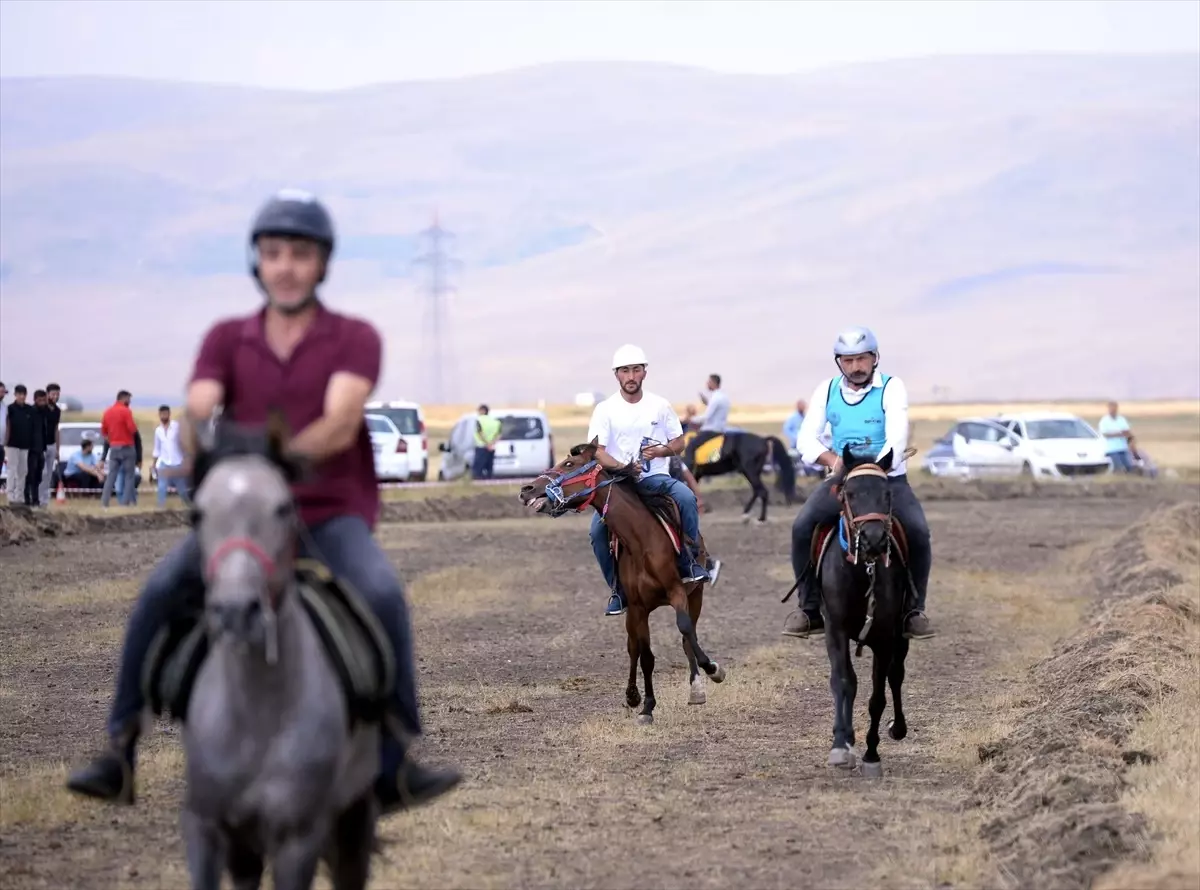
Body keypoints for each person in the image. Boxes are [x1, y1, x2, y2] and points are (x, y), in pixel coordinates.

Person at [66, 189, 460, 814]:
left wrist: (283, 459)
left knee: (382, 593)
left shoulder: (354, 338)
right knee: (159, 590)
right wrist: (204, 441)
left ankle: (394, 762)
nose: (286, 265)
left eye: (300, 254)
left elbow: (339, 420)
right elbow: (199, 404)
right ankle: (120, 749)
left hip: (328, 513)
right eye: (273, 252)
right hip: (242, 519)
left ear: (322, 264)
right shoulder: (227, 337)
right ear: (257, 261)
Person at [781, 326, 935, 641]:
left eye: (862, 359)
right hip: (843, 480)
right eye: (848, 360)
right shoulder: (826, 390)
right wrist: (831, 460)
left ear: (875, 358)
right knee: (801, 527)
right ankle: (810, 610)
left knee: (918, 530)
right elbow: (805, 438)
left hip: (887, 479)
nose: (856, 366)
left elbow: (897, 438)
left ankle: (913, 611)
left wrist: (872, 465)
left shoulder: (892, 387)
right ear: (839, 362)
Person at [587, 344, 715, 617]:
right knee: (597, 532)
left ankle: (690, 562)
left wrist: (662, 451)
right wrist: (623, 467)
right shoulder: (605, 409)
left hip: (655, 477)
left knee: (686, 498)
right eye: (624, 371)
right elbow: (597, 451)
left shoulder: (660, 405)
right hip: (619, 484)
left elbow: (678, 441)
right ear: (616, 375)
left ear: (644, 372)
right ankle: (617, 589)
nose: (630, 376)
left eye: (635, 369)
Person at [100, 390, 138, 508]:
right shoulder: (126, 411)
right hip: (127, 446)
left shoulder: (107, 412)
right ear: (124, 398)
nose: (130, 401)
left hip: (114, 447)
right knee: (129, 476)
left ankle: (104, 503)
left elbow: (104, 433)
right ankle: (124, 504)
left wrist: (112, 441)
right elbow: (132, 429)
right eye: (129, 399)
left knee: (111, 476)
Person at [683, 373, 731, 468]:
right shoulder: (723, 397)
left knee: (689, 448)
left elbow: (707, 417)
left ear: (713, 383)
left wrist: (691, 419)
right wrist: (707, 403)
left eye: (708, 382)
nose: (707, 384)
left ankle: (689, 472)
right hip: (720, 428)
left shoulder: (716, 398)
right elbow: (716, 410)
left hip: (711, 430)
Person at [152, 404, 191, 506]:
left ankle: (188, 505)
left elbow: (184, 442)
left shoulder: (176, 427)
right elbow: (157, 449)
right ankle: (160, 509)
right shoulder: (158, 431)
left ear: (169, 414)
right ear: (159, 415)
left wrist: (186, 458)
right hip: (164, 462)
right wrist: (154, 464)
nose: (164, 416)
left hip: (177, 462)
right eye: (162, 414)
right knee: (161, 487)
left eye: (166, 413)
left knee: (181, 488)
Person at [37, 383, 62, 505]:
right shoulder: (42, 409)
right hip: (41, 445)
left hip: (52, 445)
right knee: (43, 473)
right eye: (53, 394)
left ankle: (45, 500)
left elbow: (56, 429)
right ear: (47, 394)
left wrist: (58, 448)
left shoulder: (57, 411)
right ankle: (38, 498)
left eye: (57, 394)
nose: (55, 397)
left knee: (49, 475)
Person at [1098, 402, 1135, 473]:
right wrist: (1119, 434)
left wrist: (1131, 442)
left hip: (1122, 448)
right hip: (1111, 449)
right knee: (1119, 467)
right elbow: (1105, 434)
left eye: (1114, 408)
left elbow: (1127, 432)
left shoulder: (1121, 419)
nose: (1113, 410)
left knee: (1129, 467)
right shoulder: (1104, 421)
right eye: (1111, 408)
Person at [472, 404, 502, 480]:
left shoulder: (478, 420)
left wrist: (487, 444)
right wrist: (492, 443)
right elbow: (499, 435)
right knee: (489, 468)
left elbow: (480, 433)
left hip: (481, 447)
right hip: (491, 448)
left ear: (483, 411)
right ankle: (489, 483)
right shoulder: (496, 421)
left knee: (478, 470)